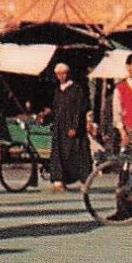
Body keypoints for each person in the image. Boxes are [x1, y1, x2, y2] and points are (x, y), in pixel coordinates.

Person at [46, 62, 93, 191]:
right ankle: (59, 181)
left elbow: (80, 109)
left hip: (73, 128)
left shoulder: (77, 89)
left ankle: (84, 182)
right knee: (58, 155)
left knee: (78, 154)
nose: (61, 76)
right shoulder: (57, 90)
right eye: (59, 74)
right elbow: (55, 108)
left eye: (64, 73)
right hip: (59, 128)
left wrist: (75, 126)